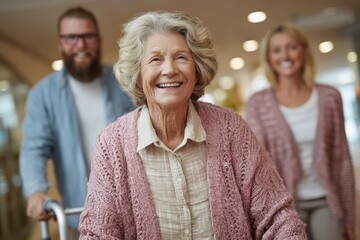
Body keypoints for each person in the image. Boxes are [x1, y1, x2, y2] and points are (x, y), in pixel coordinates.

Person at [78, 11, 306, 239]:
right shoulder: (111, 145)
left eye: (181, 57)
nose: (169, 70)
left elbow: (278, 217)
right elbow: (98, 232)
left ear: (196, 71)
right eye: (155, 59)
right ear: (138, 75)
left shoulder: (231, 129)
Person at [19, 6, 135, 236]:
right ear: (60, 42)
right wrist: (35, 191)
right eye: (71, 37)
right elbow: (34, 148)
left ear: (99, 40)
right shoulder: (43, 94)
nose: (80, 45)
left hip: (133, 215)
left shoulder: (125, 83)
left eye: (87, 36)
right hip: (80, 220)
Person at [246, 23, 355, 240]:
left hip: (326, 200)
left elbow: (341, 159)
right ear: (268, 57)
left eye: (292, 47)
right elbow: (256, 164)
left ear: (304, 50)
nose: (285, 55)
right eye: (276, 50)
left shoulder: (330, 97)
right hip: (282, 206)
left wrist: (350, 218)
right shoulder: (258, 103)